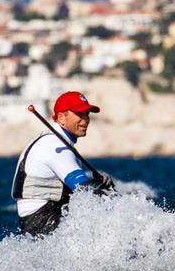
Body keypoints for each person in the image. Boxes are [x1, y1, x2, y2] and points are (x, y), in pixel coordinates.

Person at [11, 91, 113, 236]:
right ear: (61, 118)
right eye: (80, 114)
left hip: (38, 220)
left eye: (87, 114)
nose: (86, 119)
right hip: (43, 221)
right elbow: (83, 190)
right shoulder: (56, 147)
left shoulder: (52, 140)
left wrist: (97, 184)